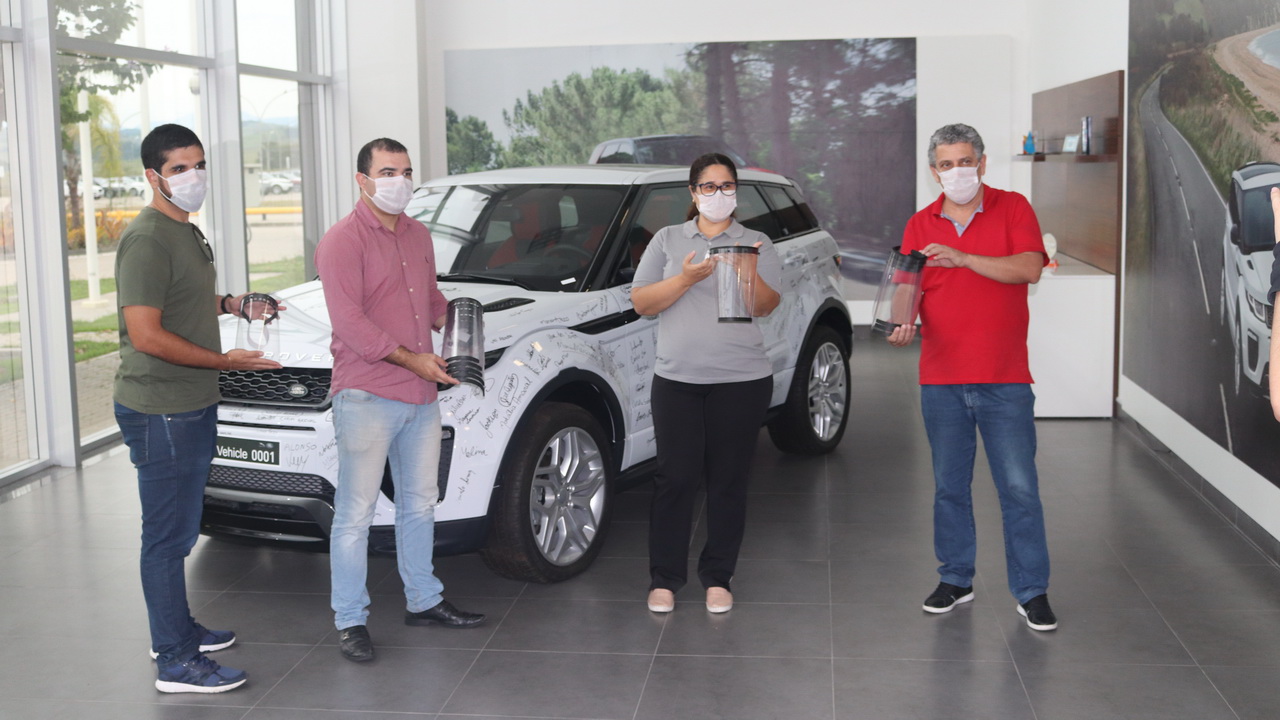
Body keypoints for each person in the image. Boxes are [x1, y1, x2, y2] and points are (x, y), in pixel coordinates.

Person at [115, 123, 282, 693]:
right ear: (153, 176)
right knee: (167, 538)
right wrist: (225, 362)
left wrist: (232, 303)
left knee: (181, 530)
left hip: (189, 402)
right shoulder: (147, 238)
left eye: (199, 164)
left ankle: (177, 629)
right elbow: (146, 334)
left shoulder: (184, 230)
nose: (194, 176)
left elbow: (181, 298)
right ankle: (175, 660)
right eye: (179, 168)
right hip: (161, 408)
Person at [315, 137, 486, 663]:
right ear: (362, 180)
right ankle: (350, 620)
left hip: (420, 393)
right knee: (355, 513)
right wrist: (414, 360)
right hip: (366, 394)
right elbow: (350, 323)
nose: (400, 181)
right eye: (388, 172)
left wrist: (462, 330)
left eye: (407, 172)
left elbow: (430, 301)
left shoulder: (417, 234)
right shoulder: (341, 241)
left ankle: (423, 599)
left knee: (420, 502)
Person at [886, 123, 1058, 631]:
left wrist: (962, 258)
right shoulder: (920, 223)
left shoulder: (1013, 208)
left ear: (981, 163)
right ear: (933, 170)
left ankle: (1031, 590)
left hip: (1005, 378)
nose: (956, 171)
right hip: (941, 378)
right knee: (949, 488)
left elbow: (1029, 268)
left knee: (1019, 489)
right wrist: (900, 321)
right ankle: (956, 578)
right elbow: (906, 288)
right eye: (946, 164)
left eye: (965, 161)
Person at [631, 152, 782, 614]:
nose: (719, 194)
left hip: (742, 379)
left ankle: (718, 576)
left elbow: (765, 306)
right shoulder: (668, 239)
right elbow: (642, 302)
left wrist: (746, 271)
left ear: (737, 191)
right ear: (693, 193)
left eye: (727, 186)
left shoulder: (756, 241)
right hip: (677, 378)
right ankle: (665, 579)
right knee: (674, 479)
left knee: (728, 481)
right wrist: (684, 278)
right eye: (709, 187)